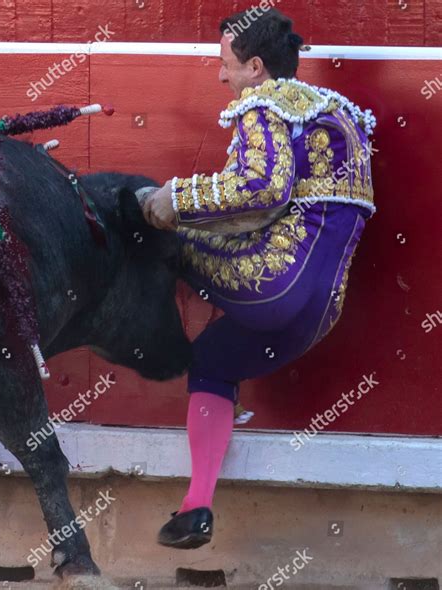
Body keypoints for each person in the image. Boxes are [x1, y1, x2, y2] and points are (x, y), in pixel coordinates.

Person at [139, 8, 376, 549]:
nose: (221, 77)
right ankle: (194, 509)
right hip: (319, 312)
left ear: (256, 67)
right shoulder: (343, 116)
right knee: (213, 360)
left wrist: (173, 200)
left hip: (274, 281)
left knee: (148, 232)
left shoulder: (264, 103)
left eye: (226, 65)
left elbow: (260, 189)